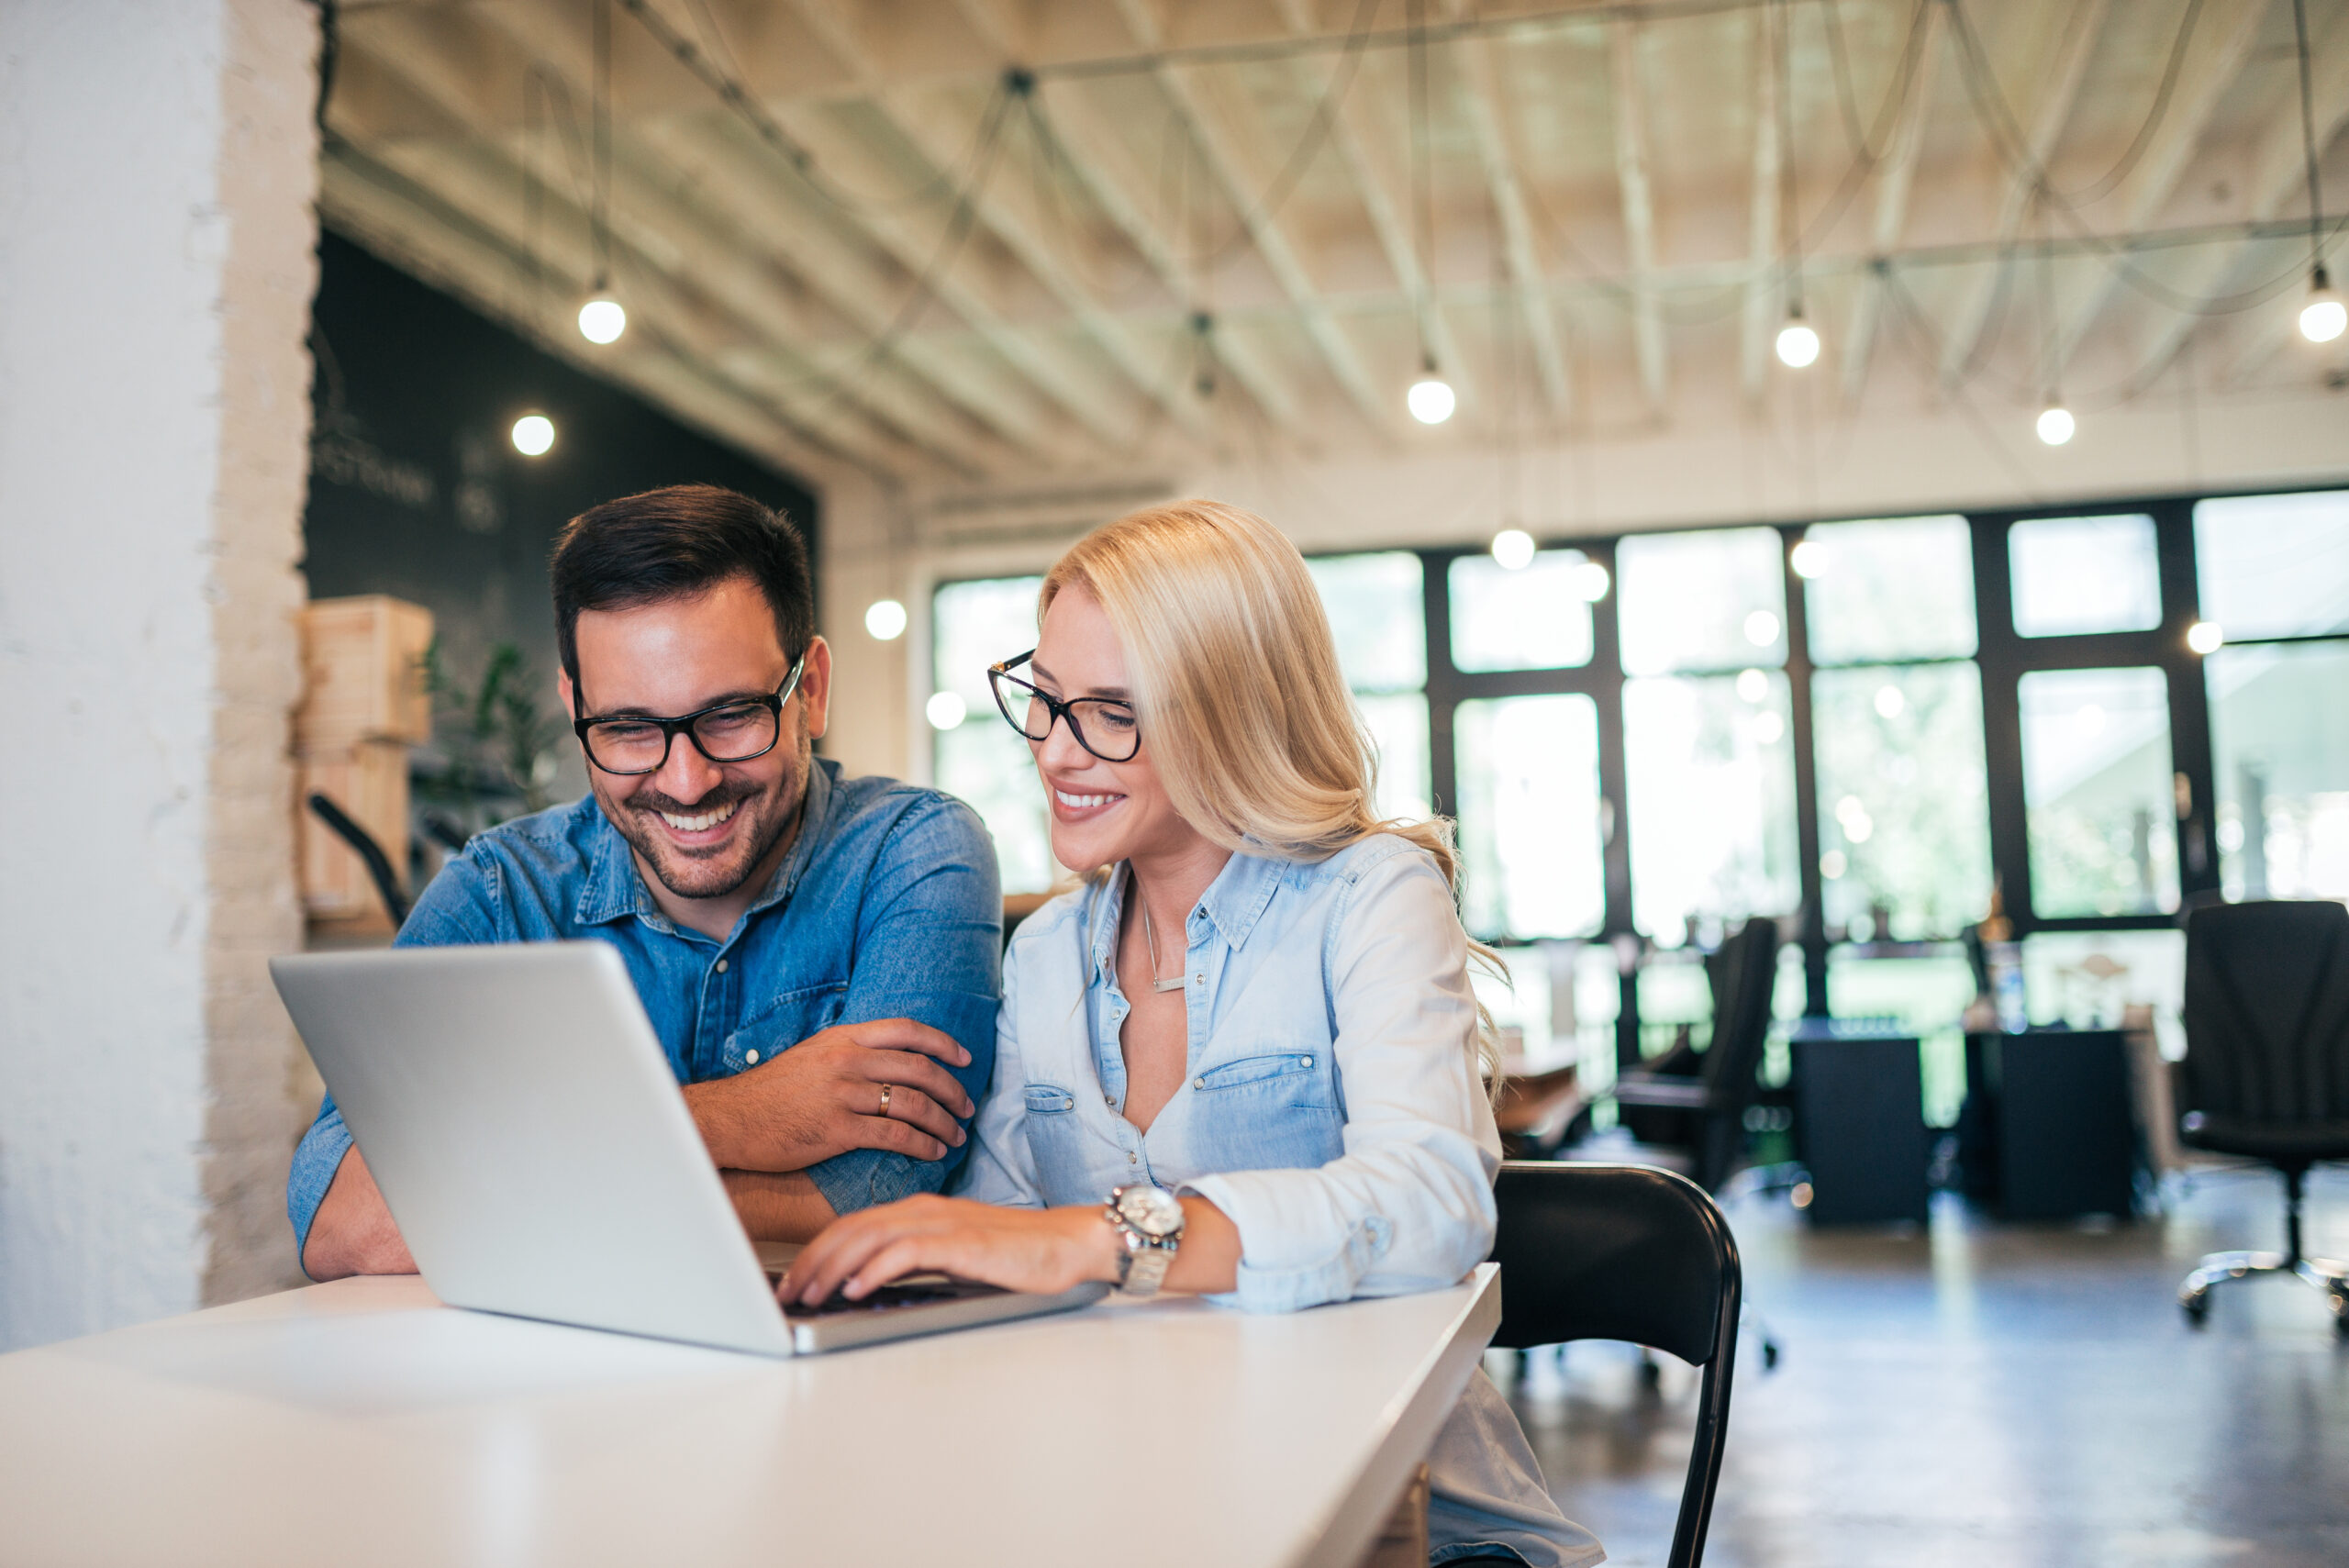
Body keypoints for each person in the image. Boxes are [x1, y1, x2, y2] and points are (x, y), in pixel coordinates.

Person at [783, 501, 1600, 1568]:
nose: (1058, 751)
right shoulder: (1041, 956)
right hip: (1133, 1494)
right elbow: (999, 1230)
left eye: (1113, 710)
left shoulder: (1368, 896)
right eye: (1047, 699)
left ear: (1230, 711)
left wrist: (1107, 1237)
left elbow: (1432, 1198)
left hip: (1413, 1522)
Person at [289, 484, 1001, 1279]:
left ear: (814, 689)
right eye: (628, 728)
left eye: (732, 714)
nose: (688, 781)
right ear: (575, 705)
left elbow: (880, 1194)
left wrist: (503, 1178)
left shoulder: (915, 852)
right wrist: (747, 1114)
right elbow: (341, 1223)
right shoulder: (500, 890)